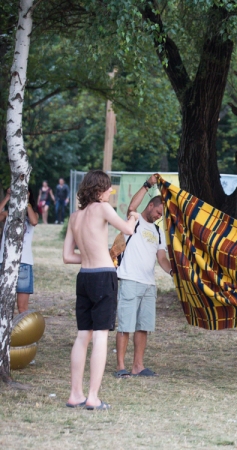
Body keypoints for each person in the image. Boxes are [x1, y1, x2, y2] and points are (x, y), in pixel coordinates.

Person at [63, 170, 139, 410]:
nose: (110, 193)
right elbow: (127, 230)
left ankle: (75, 394)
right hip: (103, 277)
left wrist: (91, 255)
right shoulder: (102, 208)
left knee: (82, 335)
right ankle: (93, 397)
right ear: (99, 190)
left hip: (84, 277)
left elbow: (67, 256)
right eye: (108, 189)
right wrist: (134, 219)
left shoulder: (75, 217)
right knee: (101, 336)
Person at [114, 175, 172, 378]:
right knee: (125, 326)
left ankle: (138, 365)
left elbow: (162, 259)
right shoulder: (134, 221)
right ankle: (121, 367)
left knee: (143, 327)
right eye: (157, 212)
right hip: (130, 279)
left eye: (161, 215)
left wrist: (172, 271)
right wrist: (148, 184)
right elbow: (131, 206)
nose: (158, 216)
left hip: (149, 284)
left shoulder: (158, 231)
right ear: (150, 206)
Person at [0, 187, 39, 313]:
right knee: (4, 305)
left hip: (24, 263)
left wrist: (25, 201)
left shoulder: (32, 214)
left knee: (22, 308)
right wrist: (7, 197)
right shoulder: (8, 213)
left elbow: (33, 221)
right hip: (5, 261)